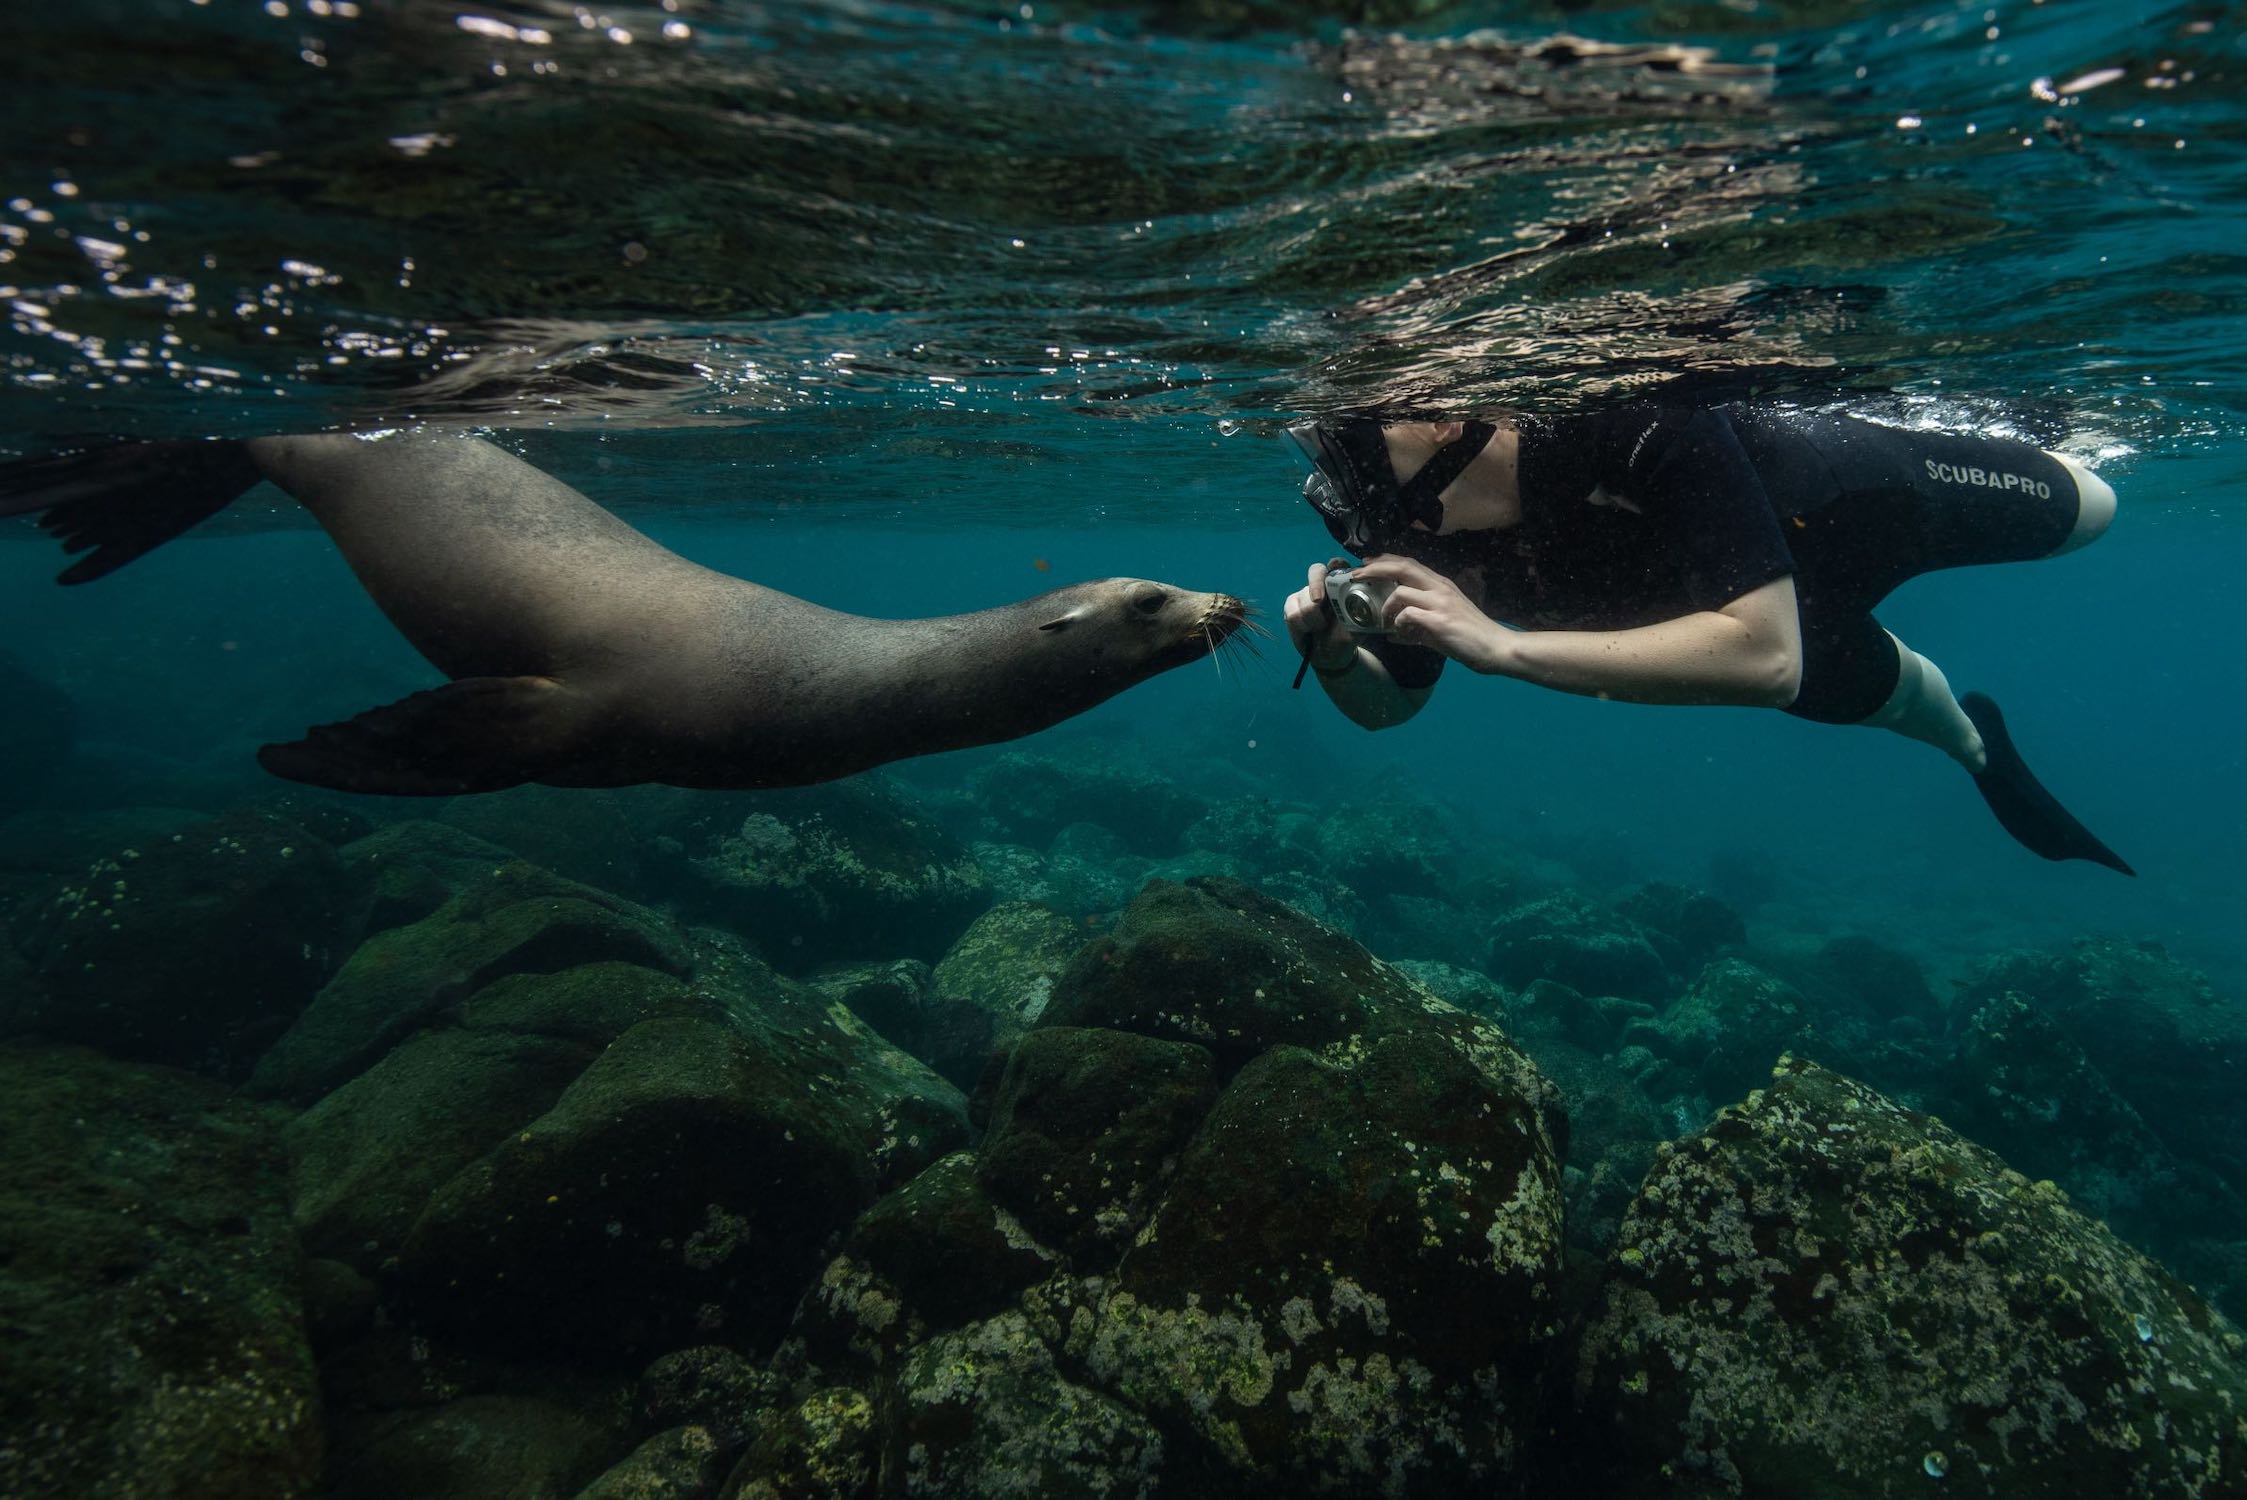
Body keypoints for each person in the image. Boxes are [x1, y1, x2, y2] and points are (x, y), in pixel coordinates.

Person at [1280, 402, 2133, 874]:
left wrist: (1501, 648)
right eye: (1320, 453)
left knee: (2094, 507)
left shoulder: (1621, 413)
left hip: (1850, 511)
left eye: (1345, 446)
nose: (1334, 484)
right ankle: (1982, 751)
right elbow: (1387, 711)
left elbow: (1764, 658)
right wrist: (1330, 658)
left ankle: (2005, 422)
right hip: (1733, 624)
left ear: (1435, 418)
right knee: (1918, 712)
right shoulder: (1395, 515)